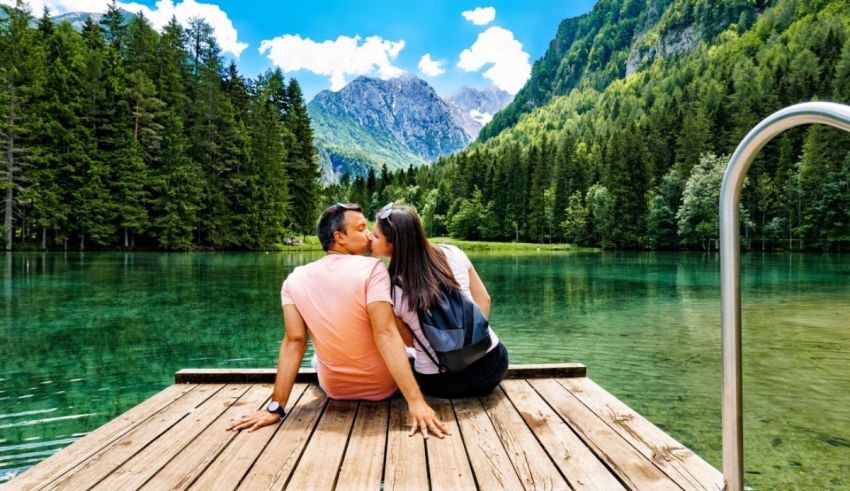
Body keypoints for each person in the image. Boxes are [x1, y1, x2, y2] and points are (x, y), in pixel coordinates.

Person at [226, 203, 448, 439]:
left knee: (316, 357)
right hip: (384, 387)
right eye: (362, 229)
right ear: (339, 237)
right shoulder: (373, 268)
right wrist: (416, 402)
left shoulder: (294, 279)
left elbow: (295, 341)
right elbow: (385, 334)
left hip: (335, 389)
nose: (369, 235)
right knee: (406, 348)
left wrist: (276, 407)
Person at [368, 203, 509, 398]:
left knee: (402, 361)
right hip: (493, 366)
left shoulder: (391, 289)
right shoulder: (453, 253)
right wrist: (467, 344)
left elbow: (409, 341)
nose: (369, 237)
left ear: (394, 243)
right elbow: (484, 299)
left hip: (440, 382)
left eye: (375, 236)